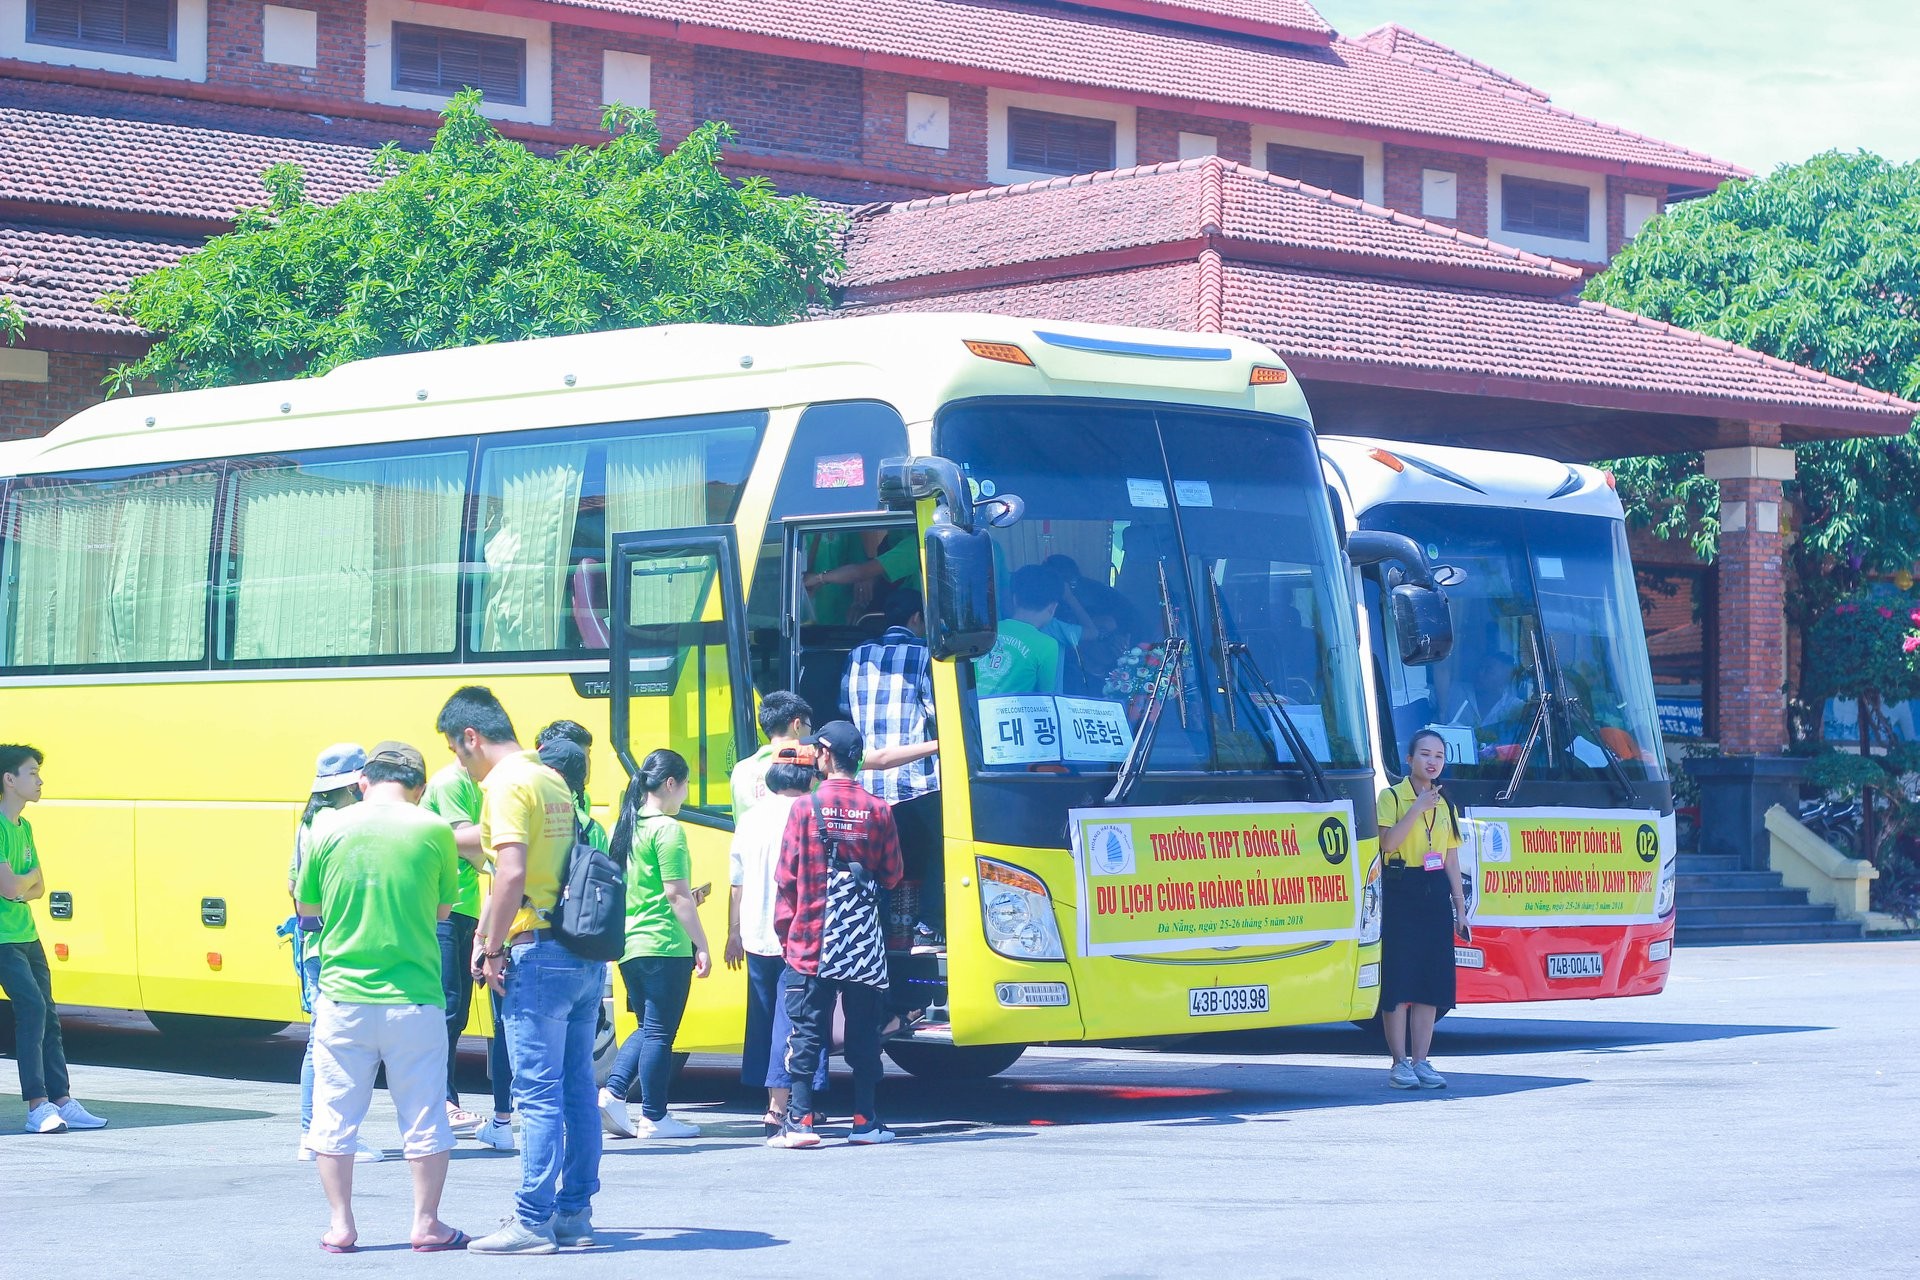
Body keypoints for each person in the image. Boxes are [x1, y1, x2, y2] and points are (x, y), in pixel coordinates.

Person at [440, 686, 599, 1255]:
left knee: (535, 1094)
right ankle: (575, 1212)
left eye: (459, 754)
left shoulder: (505, 784)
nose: (463, 765)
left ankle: (531, 1221)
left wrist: (489, 949)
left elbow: (509, 874)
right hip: (581, 951)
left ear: (472, 737)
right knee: (579, 1089)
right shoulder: (551, 778)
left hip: (537, 952)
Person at [294, 741, 467, 1254]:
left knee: (334, 1117)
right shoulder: (435, 828)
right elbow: (442, 911)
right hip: (414, 998)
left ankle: (341, 1226)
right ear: (418, 787)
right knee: (424, 1115)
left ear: (364, 781)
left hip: (342, 997)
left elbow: (307, 906)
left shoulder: (327, 827)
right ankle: (426, 1224)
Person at [770, 721, 904, 1149]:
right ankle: (865, 1120)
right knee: (865, 1032)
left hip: (812, 937)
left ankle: (801, 1120)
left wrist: (785, 934)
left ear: (826, 755)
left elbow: (787, 877)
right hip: (863, 942)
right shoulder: (879, 810)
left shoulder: (805, 808)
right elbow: (894, 874)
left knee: (808, 1030)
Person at [598, 749, 712, 1139]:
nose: (686, 793)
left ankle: (613, 1093)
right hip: (664, 944)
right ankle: (654, 1115)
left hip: (629, 945)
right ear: (670, 784)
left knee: (649, 1028)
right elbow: (676, 896)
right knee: (661, 1033)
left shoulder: (623, 826)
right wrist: (702, 943)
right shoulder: (667, 829)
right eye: (685, 785)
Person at [0, 745, 107, 1136]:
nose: (40, 780)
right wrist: (19, 886)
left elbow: (37, 887)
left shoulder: (24, 828)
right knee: (31, 1011)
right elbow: (12, 884)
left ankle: (62, 1100)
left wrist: (18, 888)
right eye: (32, 773)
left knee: (48, 1012)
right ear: (9, 780)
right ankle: (36, 1106)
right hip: (3, 939)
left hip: (26, 934)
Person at [418, 754, 515, 1153]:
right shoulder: (452, 784)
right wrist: (506, 861)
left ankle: (444, 1100)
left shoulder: (480, 787)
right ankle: (439, 1102)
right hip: (440, 909)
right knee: (445, 1007)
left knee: (454, 1011)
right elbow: (467, 842)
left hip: (462, 908)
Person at [287, 743, 379, 1162]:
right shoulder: (342, 824)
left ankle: (313, 1131)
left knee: (320, 1042)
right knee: (337, 1045)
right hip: (338, 944)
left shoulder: (309, 822)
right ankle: (320, 1132)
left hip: (314, 943)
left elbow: (294, 885)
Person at [725, 758, 828, 1136]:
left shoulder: (750, 818)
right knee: (796, 1020)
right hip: (795, 933)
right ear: (808, 779)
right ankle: (782, 1106)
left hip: (754, 930)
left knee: (765, 1018)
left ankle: (770, 1096)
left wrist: (732, 932)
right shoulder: (809, 812)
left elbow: (736, 880)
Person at [841, 590, 943, 949]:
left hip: (868, 780)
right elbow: (935, 711)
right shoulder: (925, 654)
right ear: (917, 618)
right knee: (939, 848)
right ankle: (929, 927)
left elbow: (844, 707)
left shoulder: (856, 656)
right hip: (919, 779)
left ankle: (873, 932)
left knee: (871, 858)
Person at [1375, 729, 1469, 1091]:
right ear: (1410, 759)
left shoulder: (1446, 804)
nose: (1432, 762)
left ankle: (1422, 1060)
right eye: (1425, 755)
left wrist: (1460, 908)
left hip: (1434, 893)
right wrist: (1416, 809)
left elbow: (1449, 856)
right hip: (1401, 888)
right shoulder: (1392, 797)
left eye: (1439, 756)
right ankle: (1399, 1061)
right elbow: (1388, 844)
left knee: (1432, 979)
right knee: (1400, 979)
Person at [974, 564, 1064, 698]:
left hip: (971, 714)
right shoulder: (1048, 645)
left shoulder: (983, 631)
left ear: (1015, 599)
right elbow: (1046, 698)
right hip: (1012, 717)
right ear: (1053, 607)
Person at [730, 691, 813, 815]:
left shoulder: (740, 770)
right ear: (796, 726)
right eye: (809, 727)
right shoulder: (805, 770)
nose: (810, 735)